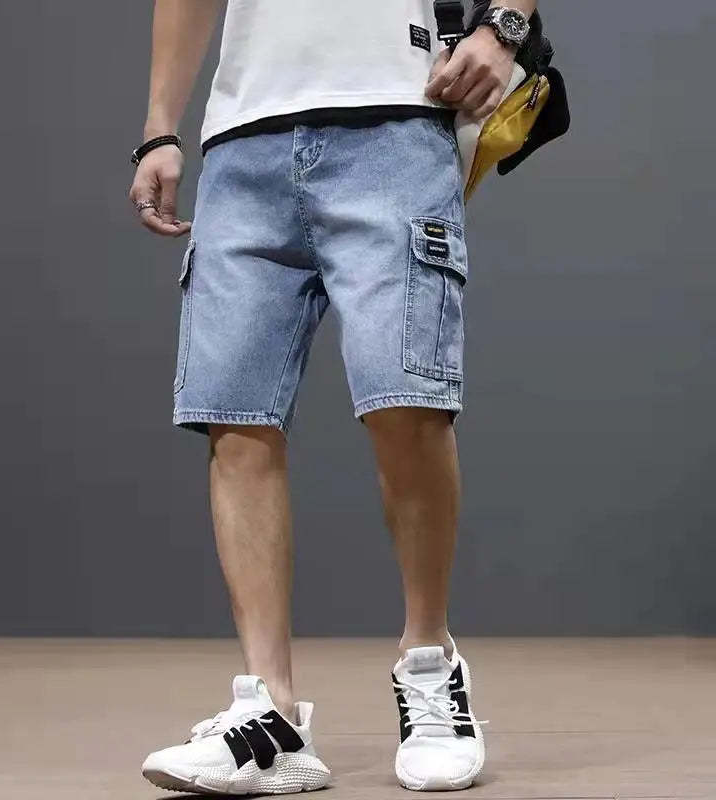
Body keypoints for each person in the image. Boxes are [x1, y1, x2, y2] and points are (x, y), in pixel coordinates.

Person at [129, 1, 537, 793]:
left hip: (397, 119)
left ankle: (430, 665)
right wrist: (159, 128)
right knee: (235, 419)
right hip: (242, 139)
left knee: (406, 403)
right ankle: (271, 711)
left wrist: (504, 28)